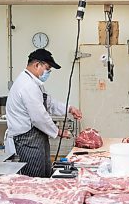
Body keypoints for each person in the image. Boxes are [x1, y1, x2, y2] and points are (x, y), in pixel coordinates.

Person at [5, 48, 82, 177]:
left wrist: (69, 108)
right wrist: (58, 132)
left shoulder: (35, 83)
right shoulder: (27, 85)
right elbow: (39, 117)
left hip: (36, 138)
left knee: (44, 173)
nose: (48, 72)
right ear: (37, 65)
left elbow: (50, 103)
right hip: (26, 141)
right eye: (47, 68)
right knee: (34, 180)